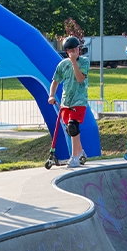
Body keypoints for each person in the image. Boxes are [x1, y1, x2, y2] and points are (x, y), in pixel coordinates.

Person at [48, 35, 90, 167]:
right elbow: (55, 81)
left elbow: (80, 79)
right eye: (70, 50)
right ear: (67, 51)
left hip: (79, 100)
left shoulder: (84, 62)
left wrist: (74, 62)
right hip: (66, 101)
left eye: (75, 49)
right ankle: (81, 152)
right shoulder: (62, 64)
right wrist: (51, 95)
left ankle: (74, 157)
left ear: (79, 49)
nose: (73, 52)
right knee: (70, 129)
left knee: (73, 126)